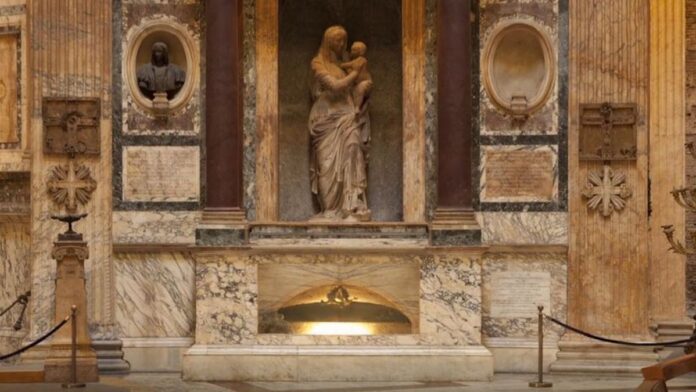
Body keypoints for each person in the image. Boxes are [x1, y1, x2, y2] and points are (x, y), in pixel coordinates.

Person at [308, 26, 372, 222]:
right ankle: (329, 209)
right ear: (328, 42)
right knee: (327, 165)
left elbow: (365, 83)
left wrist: (364, 81)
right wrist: (355, 72)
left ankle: (352, 204)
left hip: (347, 115)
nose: (342, 45)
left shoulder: (347, 63)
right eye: (337, 40)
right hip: (325, 119)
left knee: (354, 148)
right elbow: (335, 87)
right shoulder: (318, 63)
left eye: (344, 40)